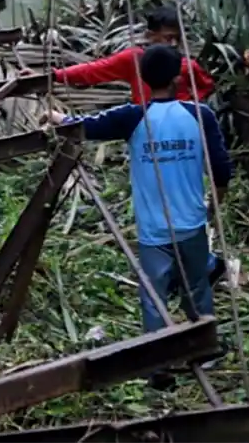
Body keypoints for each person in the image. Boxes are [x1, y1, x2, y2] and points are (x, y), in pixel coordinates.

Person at [50, 44, 233, 342]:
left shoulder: (131, 117)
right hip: (192, 222)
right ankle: (203, 347)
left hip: (152, 229)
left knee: (153, 297)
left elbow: (85, 127)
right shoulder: (201, 115)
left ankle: (159, 357)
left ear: (143, 79)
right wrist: (214, 207)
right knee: (198, 288)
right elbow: (221, 170)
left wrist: (55, 117)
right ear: (178, 78)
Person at [29, 6, 216, 103]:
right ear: (149, 36)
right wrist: (53, 76)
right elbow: (93, 70)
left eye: (177, 38)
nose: (174, 44)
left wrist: (191, 105)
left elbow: (206, 86)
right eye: (168, 38)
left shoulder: (187, 65)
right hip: (146, 126)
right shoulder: (135, 59)